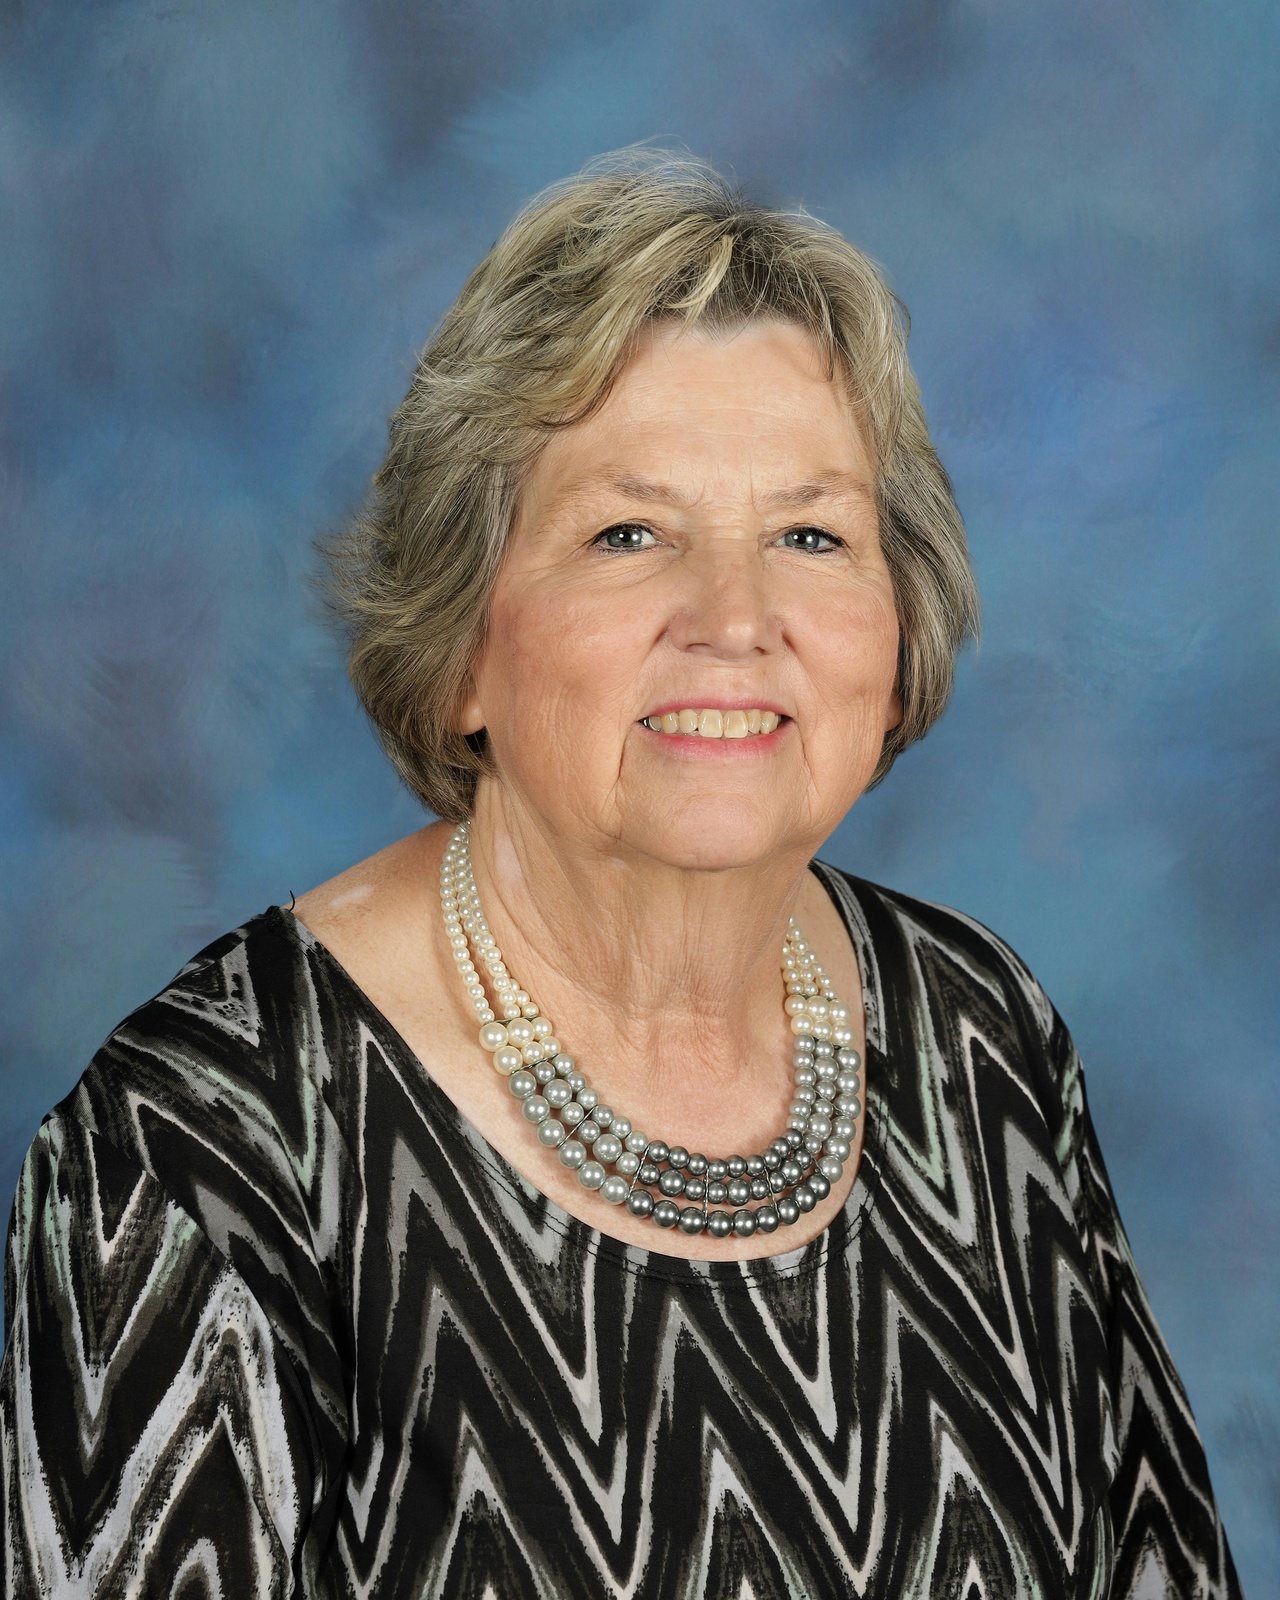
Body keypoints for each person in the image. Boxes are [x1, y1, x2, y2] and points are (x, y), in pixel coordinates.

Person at [0, 151, 1239, 1599]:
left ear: (898, 638)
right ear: (463, 647)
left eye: (811, 534)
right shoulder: (198, 1150)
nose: (736, 617)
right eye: (628, 534)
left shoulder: (981, 1030)